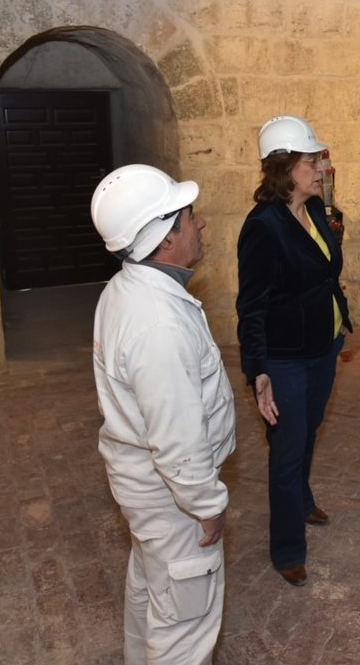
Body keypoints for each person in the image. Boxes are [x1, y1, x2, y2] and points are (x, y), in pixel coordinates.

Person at [90, 164, 237, 665]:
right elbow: (177, 436)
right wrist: (206, 503)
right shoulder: (159, 325)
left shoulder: (128, 290)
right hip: (173, 500)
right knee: (185, 631)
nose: (201, 225)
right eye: (190, 217)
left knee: (152, 596)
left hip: (146, 490)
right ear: (165, 238)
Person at [236, 115, 353, 587]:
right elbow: (252, 306)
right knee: (286, 448)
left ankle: (301, 500)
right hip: (285, 356)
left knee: (308, 431)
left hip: (324, 345)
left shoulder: (319, 212)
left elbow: (325, 272)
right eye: (312, 160)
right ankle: (287, 548)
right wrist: (258, 370)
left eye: (319, 160)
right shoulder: (263, 227)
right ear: (285, 168)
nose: (321, 168)